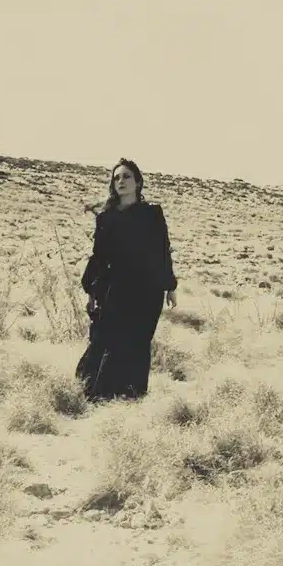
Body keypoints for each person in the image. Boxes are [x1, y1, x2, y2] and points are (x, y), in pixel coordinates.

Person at [76, 158, 178, 401]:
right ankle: (97, 397)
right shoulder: (106, 217)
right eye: (116, 178)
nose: (121, 181)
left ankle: (130, 399)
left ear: (138, 182)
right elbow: (98, 257)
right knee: (107, 340)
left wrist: (170, 287)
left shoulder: (152, 213)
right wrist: (91, 291)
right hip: (115, 289)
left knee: (137, 343)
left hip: (147, 291)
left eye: (126, 177)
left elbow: (162, 249)